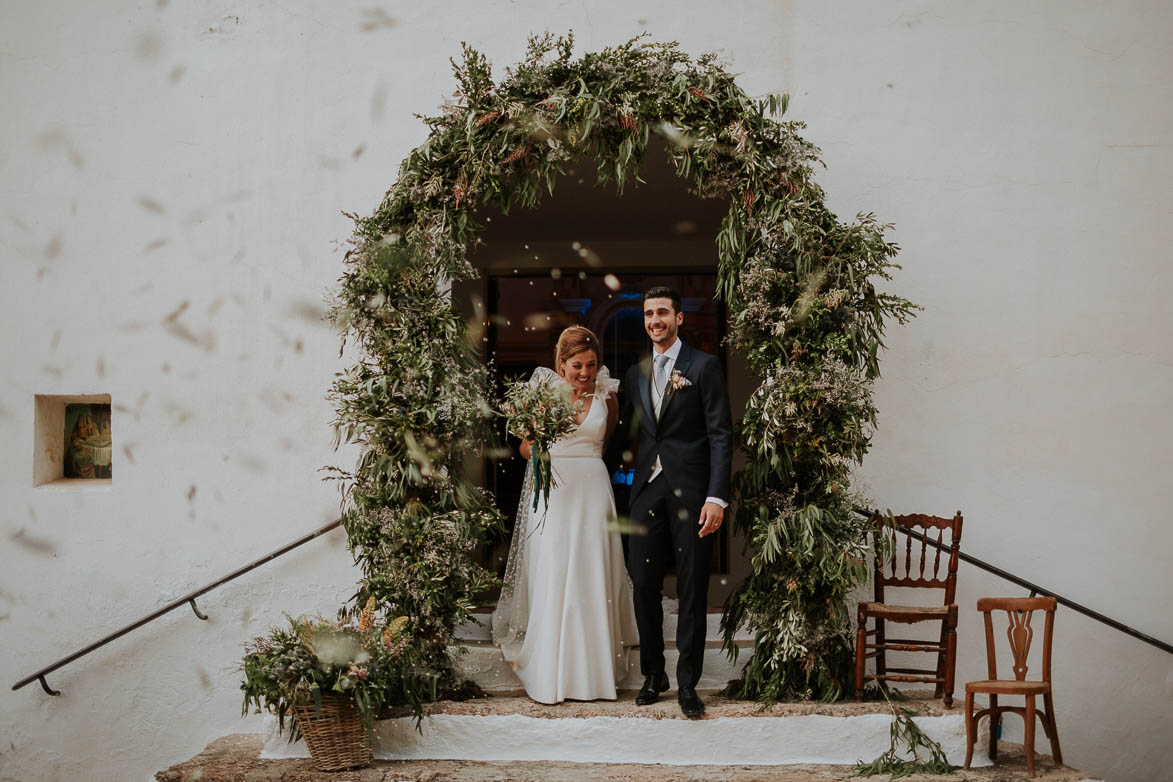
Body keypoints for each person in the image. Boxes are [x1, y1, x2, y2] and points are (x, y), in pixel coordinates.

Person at [492, 326, 639, 704]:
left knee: (592, 573)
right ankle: (551, 672)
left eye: (591, 364)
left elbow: (604, 443)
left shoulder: (608, 393)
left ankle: (594, 672)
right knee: (556, 572)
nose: (585, 373)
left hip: (592, 490)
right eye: (577, 365)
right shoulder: (543, 395)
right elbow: (525, 448)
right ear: (562, 363)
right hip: (554, 492)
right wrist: (540, 449)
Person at [620, 286, 733, 718]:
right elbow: (633, 436)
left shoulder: (703, 367)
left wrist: (716, 497)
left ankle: (687, 683)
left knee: (691, 586)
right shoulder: (636, 373)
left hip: (693, 493)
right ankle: (655, 674)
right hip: (647, 489)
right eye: (649, 314)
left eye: (663, 313)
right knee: (643, 584)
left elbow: (721, 434)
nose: (655, 320)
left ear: (679, 318)